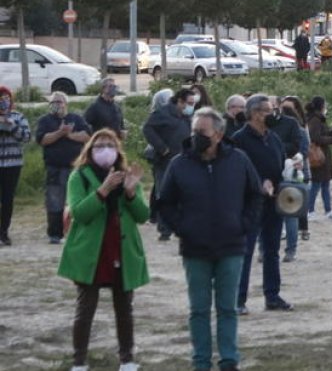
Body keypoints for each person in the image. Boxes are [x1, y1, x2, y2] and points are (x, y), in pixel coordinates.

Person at [157, 107, 264, 370]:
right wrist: (183, 228)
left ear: (217, 134)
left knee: (227, 308)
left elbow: (255, 194)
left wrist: (244, 224)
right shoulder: (179, 164)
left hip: (231, 246)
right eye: (194, 131)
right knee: (199, 310)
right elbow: (165, 202)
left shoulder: (238, 160)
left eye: (201, 132)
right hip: (195, 249)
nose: (196, 136)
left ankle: (229, 359)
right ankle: (201, 361)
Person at [58, 129, 148, 371]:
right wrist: (103, 190)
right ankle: (79, 361)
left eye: (110, 145)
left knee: (124, 309)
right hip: (91, 252)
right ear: (89, 150)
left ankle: (127, 359)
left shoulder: (127, 176)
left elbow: (143, 216)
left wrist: (130, 192)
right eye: (99, 146)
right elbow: (79, 213)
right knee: (85, 308)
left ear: (118, 150)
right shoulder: (79, 176)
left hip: (122, 249)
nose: (105, 150)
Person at [231, 94, 292, 315]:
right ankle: (238, 299)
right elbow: (235, 171)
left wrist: (284, 176)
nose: (272, 114)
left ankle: (272, 296)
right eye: (268, 111)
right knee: (245, 251)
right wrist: (258, 184)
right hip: (250, 204)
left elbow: (279, 164)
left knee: (272, 250)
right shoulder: (239, 139)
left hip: (274, 202)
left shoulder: (273, 138)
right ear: (255, 114)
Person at [36, 91, 91, 243]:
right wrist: (60, 132)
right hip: (55, 168)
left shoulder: (76, 119)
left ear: (66, 104)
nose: (56, 104)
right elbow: (42, 140)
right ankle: (55, 234)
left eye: (59, 101)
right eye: (53, 102)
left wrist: (70, 135)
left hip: (76, 168)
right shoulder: (45, 121)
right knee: (55, 201)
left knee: (79, 200)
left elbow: (87, 136)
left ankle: (79, 231)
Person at [142, 86, 194, 242]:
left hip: (184, 160)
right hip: (165, 161)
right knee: (164, 193)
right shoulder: (162, 113)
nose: (192, 106)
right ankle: (164, 229)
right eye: (189, 103)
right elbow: (147, 129)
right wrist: (162, 147)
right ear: (180, 101)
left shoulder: (184, 117)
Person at [273, 97, 311, 249]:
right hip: (290, 172)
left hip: (294, 172)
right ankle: (294, 243)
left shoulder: (296, 128)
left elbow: (302, 149)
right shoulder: (270, 127)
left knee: (292, 210)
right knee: (293, 209)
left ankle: (293, 243)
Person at [305, 96, 332, 222]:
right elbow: (315, 137)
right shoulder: (315, 119)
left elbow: (322, 133)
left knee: (325, 184)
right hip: (318, 156)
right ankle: (310, 211)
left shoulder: (318, 119)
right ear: (321, 106)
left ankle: (328, 210)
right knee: (316, 184)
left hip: (323, 156)